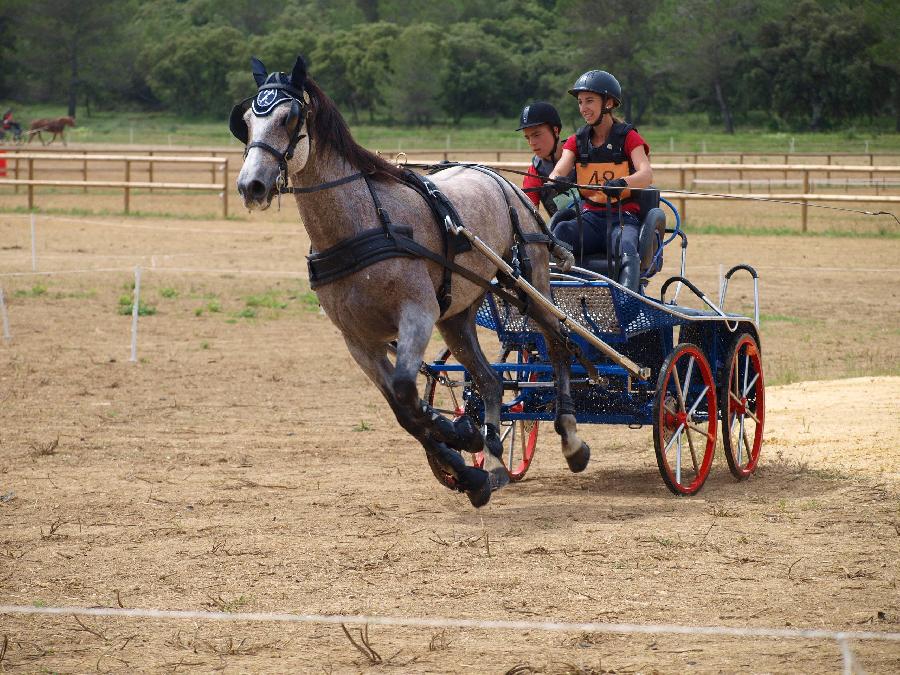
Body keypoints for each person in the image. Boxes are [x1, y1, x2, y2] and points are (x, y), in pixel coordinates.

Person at [547, 70, 652, 290]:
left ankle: (627, 301)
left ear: (609, 103)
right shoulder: (577, 141)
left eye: (590, 101)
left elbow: (646, 174)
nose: (583, 108)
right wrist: (559, 181)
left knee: (626, 244)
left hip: (623, 218)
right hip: (590, 219)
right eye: (580, 102)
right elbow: (556, 173)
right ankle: (556, 299)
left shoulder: (629, 137)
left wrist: (623, 182)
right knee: (560, 234)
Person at [516, 101, 577, 218]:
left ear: (555, 131)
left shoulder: (583, 153)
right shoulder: (535, 171)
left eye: (536, 135)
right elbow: (527, 215)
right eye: (527, 137)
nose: (531, 143)